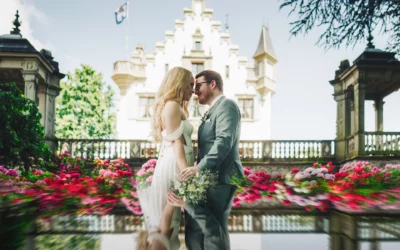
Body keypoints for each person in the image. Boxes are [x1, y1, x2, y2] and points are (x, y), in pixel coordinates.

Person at [168, 70, 244, 250]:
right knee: (196, 225)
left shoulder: (227, 106)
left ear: (213, 84)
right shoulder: (212, 111)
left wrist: (198, 167)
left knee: (212, 228)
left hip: (220, 179)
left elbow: (224, 141)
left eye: (198, 85)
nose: (194, 91)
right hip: (207, 178)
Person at [137, 66, 195, 250]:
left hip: (174, 163)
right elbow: (177, 144)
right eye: (190, 85)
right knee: (167, 218)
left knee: (169, 218)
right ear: (180, 84)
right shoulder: (172, 106)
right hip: (174, 166)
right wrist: (186, 171)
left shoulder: (174, 106)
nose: (192, 90)